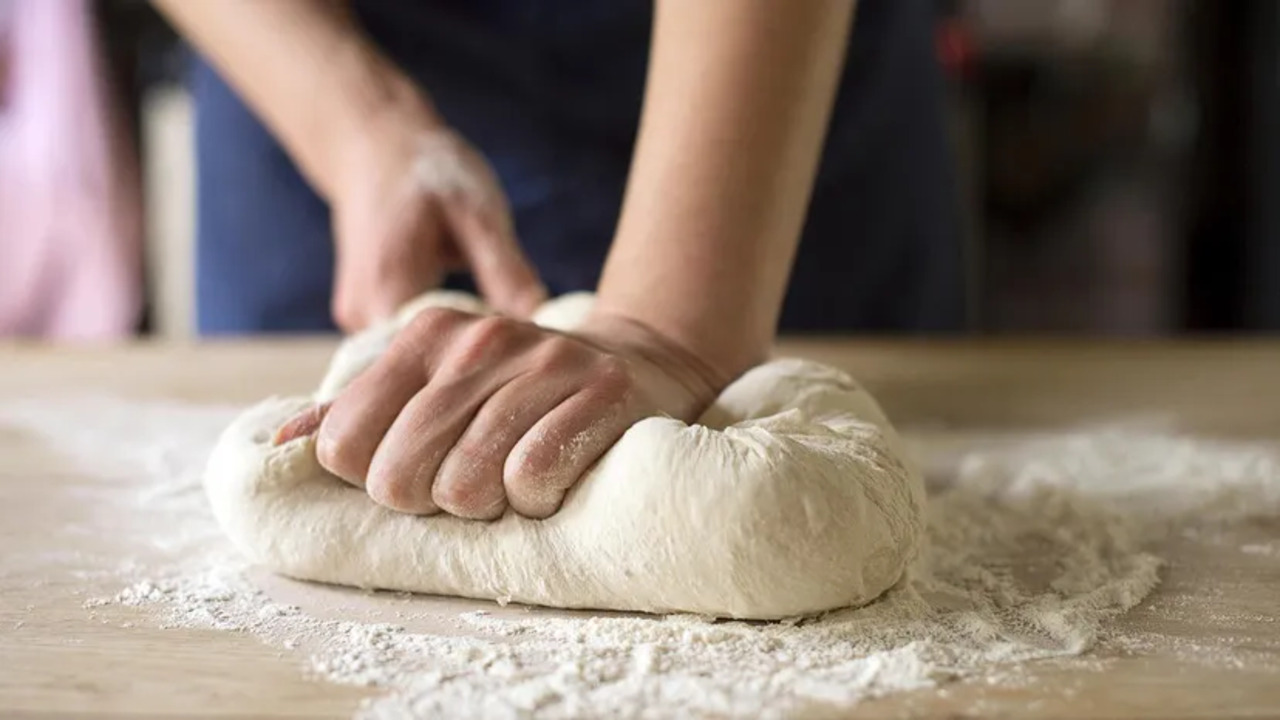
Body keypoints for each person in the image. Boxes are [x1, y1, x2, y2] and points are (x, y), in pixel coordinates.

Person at [156, 0, 962, 521]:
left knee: (807, 504)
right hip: (310, 53)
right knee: (329, 463)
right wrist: (359, 124)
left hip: (758, 73)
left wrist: (671, 331)